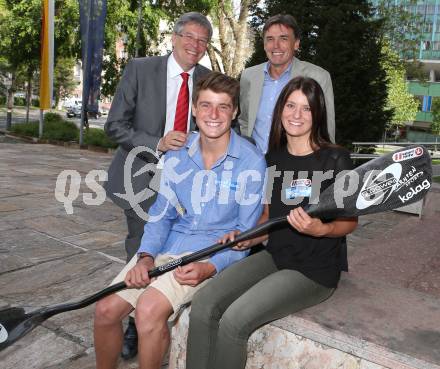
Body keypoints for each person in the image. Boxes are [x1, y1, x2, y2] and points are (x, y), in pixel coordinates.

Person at [94, 72, 266, 369]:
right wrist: (145, 258)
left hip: (209, 252)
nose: (213, 114)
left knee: (148, 308)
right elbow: (160, 215)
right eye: (206, 105)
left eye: (223, 106)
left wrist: (211, 266)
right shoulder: (176, 157)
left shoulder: (251, 161)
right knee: (105, 310)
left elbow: (243, 235)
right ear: (195, 110)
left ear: (234, 111)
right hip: (169, 243)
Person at [186, 76, 358, 369]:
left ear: (317, 114)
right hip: (275, 255)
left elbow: (349, 222)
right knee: (203, 304)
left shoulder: (335, 159)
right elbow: (268, 217)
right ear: (280, 110)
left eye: (306, 108)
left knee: (234, 321)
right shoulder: (273, 159)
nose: (296, 114)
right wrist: (246, 237)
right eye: (291, 105)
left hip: (314, 270)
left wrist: (322, 229)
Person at [103, 12, 212, 358]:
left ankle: (162, 308)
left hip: (189, 183)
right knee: (142, 249)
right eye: (189, 37)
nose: (195, 45)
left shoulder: (211, 79)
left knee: (177, 246)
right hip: (142, 176)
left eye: (202, 41)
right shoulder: (140, 69)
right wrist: (157, 143)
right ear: (175, 38)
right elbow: (115, 126)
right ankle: (136, 323)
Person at [239, 14, 335, 154]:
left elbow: (327, 127)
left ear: (296, 43)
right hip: (255, 164)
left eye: (283, 38)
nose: (276, 45)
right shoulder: (249, 76)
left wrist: (327, 162)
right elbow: (245, 121)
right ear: (264, 44)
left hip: (298, 165)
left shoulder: (318, 77)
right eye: (270, 39)